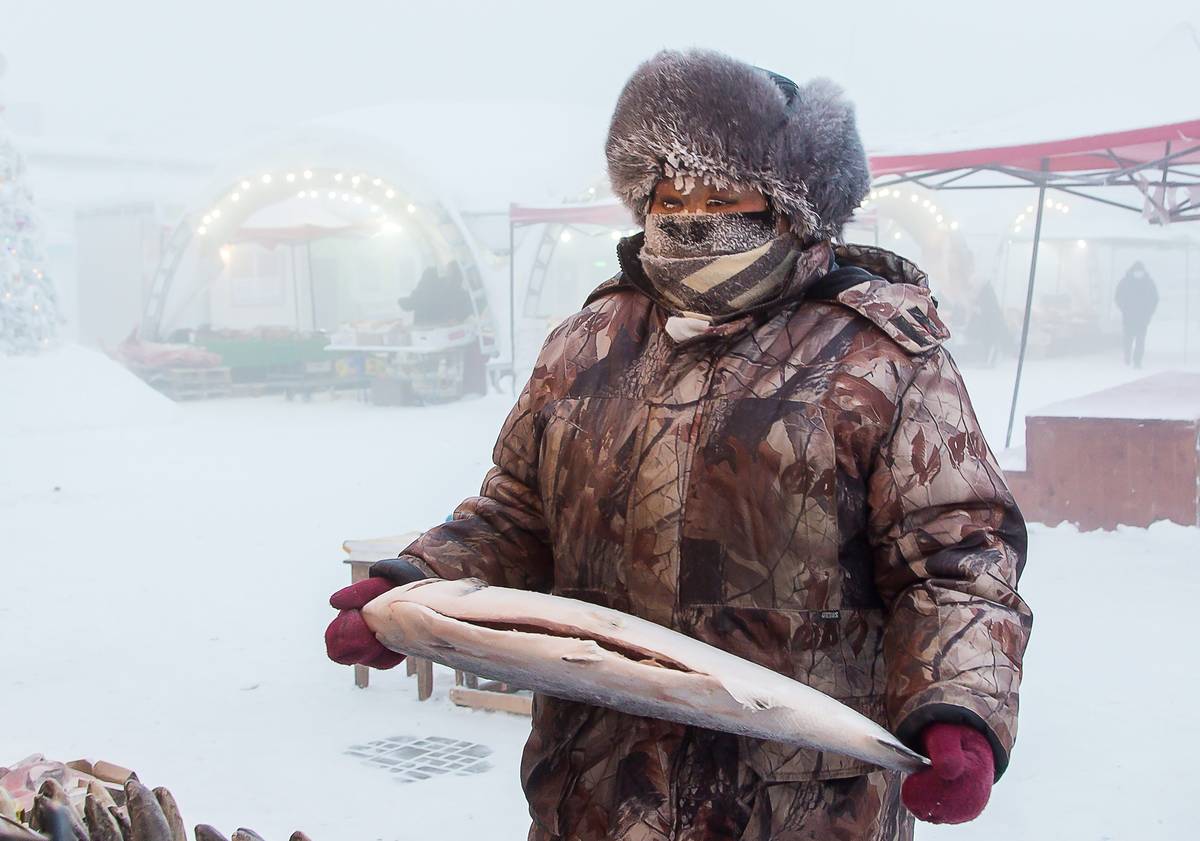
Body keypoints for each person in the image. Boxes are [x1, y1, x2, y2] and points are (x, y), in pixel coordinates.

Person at [326, 50, 1032, 840]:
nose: (691, 213)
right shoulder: (590, 340)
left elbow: (957, 561)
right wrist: (413, 587)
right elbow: (517, 515)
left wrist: (958, 707)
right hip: (594, 796)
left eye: (720, 192)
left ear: (790, 204)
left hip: (797, 808)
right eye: (671, 192)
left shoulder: (880, 358)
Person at [1114, 261, 1158, 367]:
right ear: (1132, 271)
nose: (1139, 273)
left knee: (1140, 341)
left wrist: (1149, 312)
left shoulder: (1148, 283)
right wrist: (1124, 308)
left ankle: (1137, 361)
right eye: (1137, 271)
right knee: (1128, 339)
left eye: (1140, 271)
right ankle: (1127, 356)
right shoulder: (1125, 282)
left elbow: (1154, 298)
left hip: (1142, 317)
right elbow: (1118, 296)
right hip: (1128, 316)